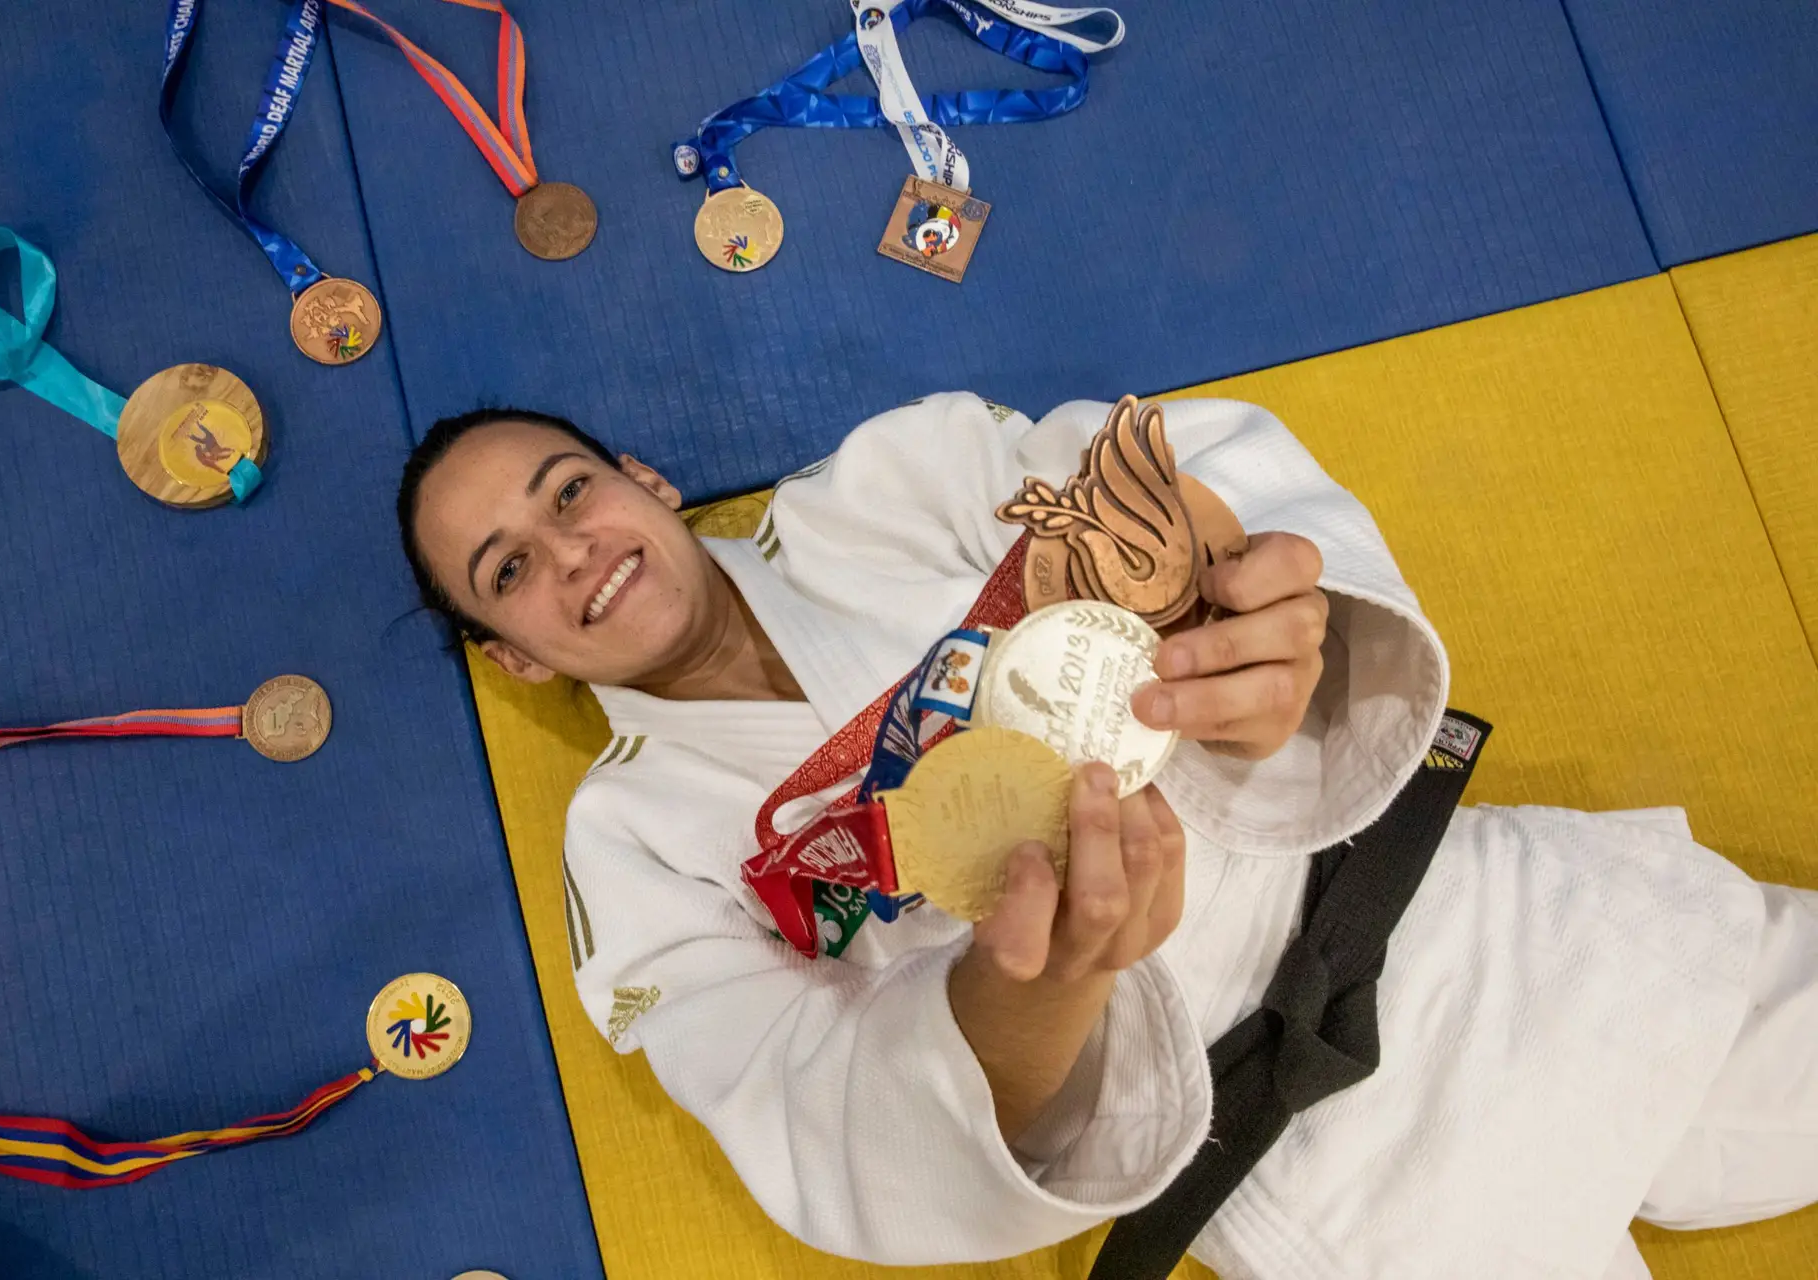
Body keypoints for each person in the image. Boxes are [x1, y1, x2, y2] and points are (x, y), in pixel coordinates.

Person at [396, 394, 1817, 1279]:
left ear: (641, 475)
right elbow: (807, 1109)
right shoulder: (638, 848)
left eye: (568, 488)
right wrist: (1034, 994)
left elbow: (1164, 466)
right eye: (507, 569)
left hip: (1488, 920)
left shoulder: (897, 488)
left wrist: (1262, 614)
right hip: (1310, 1164)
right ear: (510, 657)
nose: (570, 549)